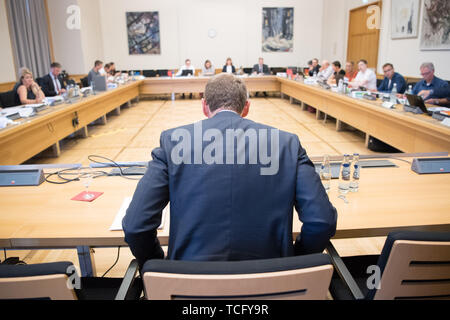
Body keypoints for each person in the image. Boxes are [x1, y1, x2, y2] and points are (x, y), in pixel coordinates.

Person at [122, 73, 337, 267]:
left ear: (204, 106)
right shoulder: (287, 143)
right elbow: (321, 221)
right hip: (272, 286)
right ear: (246, 107)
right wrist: (296, 262)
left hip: (188, 287)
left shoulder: (173, 142)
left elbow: (135, 226)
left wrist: (158, 268)